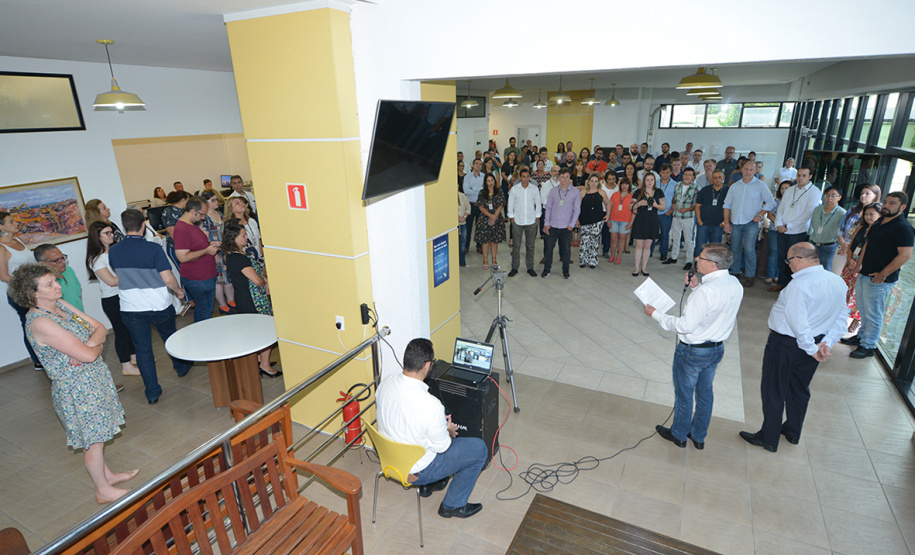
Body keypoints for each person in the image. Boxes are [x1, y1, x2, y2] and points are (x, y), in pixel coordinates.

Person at [10, 263, 138, 504]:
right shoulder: (41, 322)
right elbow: (91, 354)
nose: (58, 286)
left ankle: (107, 476)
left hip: (92, 380)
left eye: (55, 281)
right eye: (50, 284)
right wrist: (92, 349)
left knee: (99, 435)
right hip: (77, 390)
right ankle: (103, 491)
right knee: (93, 443)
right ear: (33, 293)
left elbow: (99, 328)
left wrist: (88, 346)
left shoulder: (60, 306)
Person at [740, 243, 848, 452]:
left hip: (787, 344)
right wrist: (826, 343)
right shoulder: (837, 281)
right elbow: (841, 316)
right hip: (814, 342)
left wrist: (812, 348)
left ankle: (768, 438)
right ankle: (792, 431)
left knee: (774, 390)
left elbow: (798, 323)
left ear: (798, 259)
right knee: (799, 388)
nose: (789, 266)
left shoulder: (799, 285)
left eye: (789, 261)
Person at [644, 243, 743, 449]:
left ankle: (679, 434)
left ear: (713, 264)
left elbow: (686, 326)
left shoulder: (706, 292)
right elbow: (715, 310)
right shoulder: (735, 284)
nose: (696, 259)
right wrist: (696, 287)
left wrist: (656, 314)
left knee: (684, 395)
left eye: (701, 257)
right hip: (716, 349)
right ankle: (698, 437)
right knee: (705, 394)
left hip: (692, 352)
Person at [375, 338, 487, 518]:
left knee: (426, 436)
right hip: (416, 470)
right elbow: (442, 447)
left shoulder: (385, 383)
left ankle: (430, 485)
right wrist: (448, 430)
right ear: (427, 365)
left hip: (390, 460)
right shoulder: (431, 405)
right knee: (479, 450)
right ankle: (452, 505)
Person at [109, 208, 191, 405]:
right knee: (170, 337)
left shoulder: (114, 251)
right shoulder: (153, 249)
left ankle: (152, 391)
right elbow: (168, 278)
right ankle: (180, 367)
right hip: (158, 305)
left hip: (130, 308)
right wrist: (179, 291)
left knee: (143, 349)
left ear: (123, 226)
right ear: (144, 225)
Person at [841, 192, 915, 359]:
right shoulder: (879, 222)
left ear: (902, 207)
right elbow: (868, 245)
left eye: (893, 203)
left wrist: (883, 274)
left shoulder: (904, 228)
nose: (887, 205)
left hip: (881, 278)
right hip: (864, 273)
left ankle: (868, 346)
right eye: (886, 202)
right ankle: (861, 337)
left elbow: (905, 255)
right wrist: (858, 266)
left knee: (874, 312)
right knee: (862, 308)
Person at [221, 223, 279, 377]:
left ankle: (261, 359)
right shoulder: (239, 259)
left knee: (256, 331)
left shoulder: (232, 256)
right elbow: (256, 280)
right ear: (234, 239)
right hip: (252, 300)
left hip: (244, 297)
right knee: (266, 332)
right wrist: (264, 282)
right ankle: (265, 365)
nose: (246, 237)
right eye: (243, 235)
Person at [85, 221, 140, 377]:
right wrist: (132, 275)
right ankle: (126, 366)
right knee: (121, 331)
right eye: (107, 233)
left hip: (124, 294)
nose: (111, 236)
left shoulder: (114, 251)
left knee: (130, 328)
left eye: (112, 232)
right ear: (97, 237)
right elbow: (110, 281)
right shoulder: (96, 259)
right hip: (112, 299)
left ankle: (135, 357)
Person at [722, 160, 776, 287]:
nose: (748, 172)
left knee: (749, 249)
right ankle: (735, 273)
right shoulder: (735, 186)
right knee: (734, 249)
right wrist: (726, 222)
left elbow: (770, 202)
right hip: (735, 222)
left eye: (751, 170)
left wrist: (760, 215)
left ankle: (750, 276)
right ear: (742, 169)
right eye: (746, 169)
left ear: (755, 171)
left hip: (751, 223)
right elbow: (727, 205)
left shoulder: (760, 185)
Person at [0, 211, 42, 370]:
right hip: (20, 293)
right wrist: (26, 285)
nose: (16, 223)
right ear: (1, 226)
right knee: (30, 324)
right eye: (11, 222)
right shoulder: (1, 248)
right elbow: (4, 276)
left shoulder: (18, 240)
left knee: (42, 323)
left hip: (35, 290)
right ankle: (38, 360)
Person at [769, 167, 820, 291]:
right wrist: (779, 224)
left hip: (798, 231)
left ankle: (793, 286)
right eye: (799, 175)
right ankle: (781, 283)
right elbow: (781, 208)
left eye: (804, 175)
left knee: (796, 259)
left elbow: (809, 213)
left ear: (810, 176)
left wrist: (789, 226)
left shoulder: (814, 191)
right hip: (782, 230)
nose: (800, 178)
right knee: (783, 257)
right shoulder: (790, 190)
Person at [174, 197, 219, 323]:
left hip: (204, 275)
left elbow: (195, 246)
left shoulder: (190, 225)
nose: (203, 217)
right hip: (198, 278)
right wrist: (207, 251)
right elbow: (182, 256)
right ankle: (205, 338)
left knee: (204, 308)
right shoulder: (182, 229)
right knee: (205, 310)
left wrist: (210, 244)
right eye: (202, 214)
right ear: (193, 211)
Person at [842, 203, 882, 336]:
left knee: (859, 295)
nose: (868, 217)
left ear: (880, 215)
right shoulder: (861, 228)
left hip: (864, 267)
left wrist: (859, 265)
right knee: (846, 292)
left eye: (872, 214)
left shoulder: (880, 231)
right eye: (866, 214)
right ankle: (841, 317)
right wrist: (849, 259)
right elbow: (851, 245)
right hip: (851, 264)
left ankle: (857, 320)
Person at [542, 168, 581, 279]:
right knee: (549, 249)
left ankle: (565, 270)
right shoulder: (553, 191)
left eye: (567, 177)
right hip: (552, 226)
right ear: (559, 177)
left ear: (570, 178)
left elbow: (577, 210)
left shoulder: (575, 192)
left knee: (566, 250)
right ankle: (547, 269)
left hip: (566, 226)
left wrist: (571, 225)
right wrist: (546, 224)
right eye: (562, 177)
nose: (564, 179)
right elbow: (548, 208)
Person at [200, 190, 235, 315]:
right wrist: (213, 251)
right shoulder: (204, 218)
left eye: (216, 200)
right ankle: (223, 305)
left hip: (225, 249)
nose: (216, 202)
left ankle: (231, 301)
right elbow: (205, 239)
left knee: (228, 277)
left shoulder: (220, 214)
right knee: (219, 280)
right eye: (213, 200)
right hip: (215, 252)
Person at [507, 167, 541, 277]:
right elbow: (510, 204)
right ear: (520, 177)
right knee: (516, 246)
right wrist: (511, 218)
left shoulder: (534, 189)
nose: (526, 179)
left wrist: (537, 218)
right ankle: (514, 267)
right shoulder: (515, 189)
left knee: (530, 246)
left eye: (527, 176)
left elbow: (538, 204)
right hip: (518, 221)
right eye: (523, 177)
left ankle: (530, 267)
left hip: (531, 221)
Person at [630, 173, 666, 277]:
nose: (650, 182)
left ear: (654, 181)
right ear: (644, 181)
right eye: (647, 180)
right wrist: (639, 204)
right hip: (640, 220)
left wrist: (655, 205)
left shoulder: (659, 192)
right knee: (639, 245)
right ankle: (636, 268)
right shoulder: (638, 192)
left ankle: (644, 268)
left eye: (652, 180)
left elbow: (664, 207)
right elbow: (630, 206)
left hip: (652, 221)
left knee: (647, 246)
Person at [665, 167, 698, 270]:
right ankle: (673, 257)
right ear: (683, 175)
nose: (687, 176)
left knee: (688, 240)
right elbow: (674, 197)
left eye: (689, 175)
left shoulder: (696, 187)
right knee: (675, 238)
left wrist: (688, 209)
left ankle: (689, 261)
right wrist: (673, 204)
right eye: (685, 174)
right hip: (676, 216)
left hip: (688, 217)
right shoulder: (678, 185)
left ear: (693, 177)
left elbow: (697, 204)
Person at [807, 186, 846, 272]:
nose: (830, 198)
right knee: (810, 271)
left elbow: (843, 232)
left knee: (825, 272)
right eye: (827, 195)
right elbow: (814, 225)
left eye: (833, 195)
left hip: (829, 247)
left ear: (839, 197)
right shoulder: (817, 209)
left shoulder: (842, 213)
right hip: (813, 245)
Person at [34, 244, 83, 311]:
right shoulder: (44, 282)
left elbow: (78, 292)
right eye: (56, 260)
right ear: (42, 263)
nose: (63, 262)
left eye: (62, 257)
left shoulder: (68, 270)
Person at [837, 184, 881, 257]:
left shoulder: (877, 214)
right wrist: (842, 243)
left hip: (858, 251)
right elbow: (840, 227)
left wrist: (851, 246)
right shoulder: (852, 209)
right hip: (842, 247)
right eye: (862, 193)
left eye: (867, 193)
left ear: (875, 196)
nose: (863, 195)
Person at [577, 174, 611, 269]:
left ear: (598, 183)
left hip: (597, 220)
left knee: (595, 241)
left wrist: (607, 215)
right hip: (584, 220)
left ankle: (593, 261)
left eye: (596, 181)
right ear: (588, 182)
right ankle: (583, 260)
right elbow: (577, 207)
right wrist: (576, 219)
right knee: (584, 241)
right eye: (592, 181)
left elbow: (608, 203)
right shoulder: (583, 192)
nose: (593, 183)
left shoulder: (602, 192)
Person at [694, 170, 728, 258]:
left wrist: (724, 222)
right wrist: (699, 220)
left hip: (718, 225)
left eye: (719, 177)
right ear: (712, 179)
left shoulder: (728, 191)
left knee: (715, 248)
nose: (717, 180)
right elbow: (697, 206)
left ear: (723, 178)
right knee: (700, 246)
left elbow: (731, 208)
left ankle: (712, 266)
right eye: (715, 178)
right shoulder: (705, 190)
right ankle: (698, 266)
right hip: (703, 224)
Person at [474, 173, 505, 269]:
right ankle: (485, 259)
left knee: (494, 240)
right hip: (485, 218)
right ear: (485, 182)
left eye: (492, 180)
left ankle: (494, 259)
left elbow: (501, 204)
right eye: (488, 181)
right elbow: (480, 206)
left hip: (497, 218)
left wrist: (495, 216)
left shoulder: (499, 191)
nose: (491, 183)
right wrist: (490, 216)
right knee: (485, 240)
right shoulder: (482, 192)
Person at [765, 181, 792, 286]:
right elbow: (769, 214)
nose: (784, 190)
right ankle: (770, 276)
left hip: (787, 231)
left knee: (783, 254)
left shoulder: (793, 202)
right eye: (782, 188)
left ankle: (778, 276)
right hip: (774, 230)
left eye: (786, 188)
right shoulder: (775, 202)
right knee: (774, 252)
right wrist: (778, 224)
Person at [654, 164, 678, 262]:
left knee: (665, 234)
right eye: (663, 172)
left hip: (666, 213)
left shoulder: (675, 184)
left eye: (667, 172)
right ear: (660, 173)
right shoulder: (655, 183)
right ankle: (649, 251)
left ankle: (663, 252)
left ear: (671, 173)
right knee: (653, 233)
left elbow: (676, 199)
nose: (665, 174)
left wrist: (670, 211)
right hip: (655, 212)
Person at [607, 177, 634, 265]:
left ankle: (619, 256)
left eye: (626, 184)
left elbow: (634, 211)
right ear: (620, 185)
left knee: (622, 239)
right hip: (613, 220)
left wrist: (631, 223)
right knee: (613, 239)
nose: (624, 186)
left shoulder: (632, 196)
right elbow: (609, 207)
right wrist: (607, 219)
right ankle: (612, 255)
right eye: (623, 184)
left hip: (625, 221)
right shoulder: (614, 195)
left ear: (629, 185)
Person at [227, 196, 262, 261]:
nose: (242, 204)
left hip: (259, 258)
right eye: (237, 203)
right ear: (231, 209)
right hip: (245, 259)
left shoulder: (252, 221)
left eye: (241, 202)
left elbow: (259, 240)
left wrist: (261, 256)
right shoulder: (232, 226)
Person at [162, 190, 189, 271]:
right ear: (183, 200)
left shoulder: (185, 211)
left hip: (186, 247)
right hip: (176, 247)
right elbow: (172, 232)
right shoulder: (168, 211)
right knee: (184, 271)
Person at [463, 158, 484, 256]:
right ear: (472, 165)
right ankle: (466, 246)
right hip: (470, 205)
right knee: (468, 227)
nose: (478, 165)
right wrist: (479, 190)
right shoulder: (467, 177)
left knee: (480, 227)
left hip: (481, 205)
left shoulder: (484, 176)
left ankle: (479, 246)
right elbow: (466, 191)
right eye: (476, 163)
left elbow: (485, 191)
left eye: (480, 164)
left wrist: (474, 189)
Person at [458, 187, 471, 268]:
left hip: (463, 223)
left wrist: (464, 216)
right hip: (454, 225)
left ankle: (462, 262)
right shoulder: (448, 197)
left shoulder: (462, 196)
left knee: (462, 243)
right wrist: (458, 217)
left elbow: (468, 207)